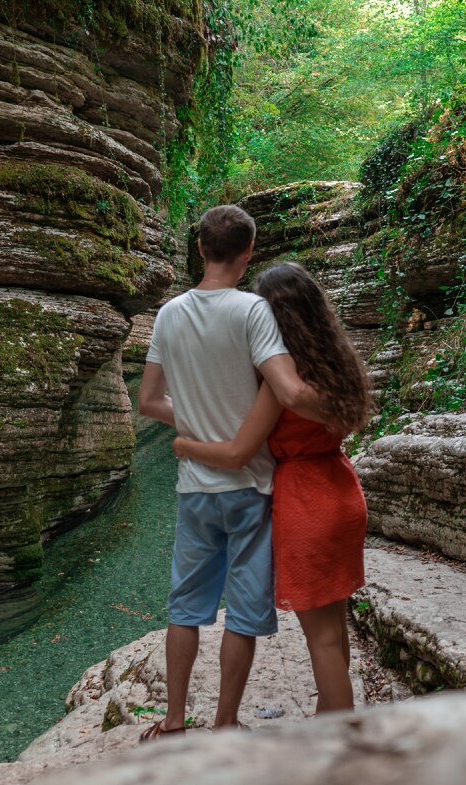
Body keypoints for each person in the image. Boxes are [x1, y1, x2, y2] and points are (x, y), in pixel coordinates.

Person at [138, 207, 322, 741]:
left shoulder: (168, 314)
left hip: (195, 488)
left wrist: (193, 417)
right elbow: (284, 389)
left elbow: (149, 401)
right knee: (242, 613)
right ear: (248, 254)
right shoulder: (253, 311)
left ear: (199, 248)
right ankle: (223, 723)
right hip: (252, 488)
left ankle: (173, 720)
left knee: (185, 608)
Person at [173, 261, 372, 715]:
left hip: (307, 502)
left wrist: (185, 443)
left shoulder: (283, 385)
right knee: (335, 628)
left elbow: (236, 453)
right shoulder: (335, 366)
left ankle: (339, 746)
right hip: (342, 489)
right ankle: (331, 721)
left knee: (320, 639)